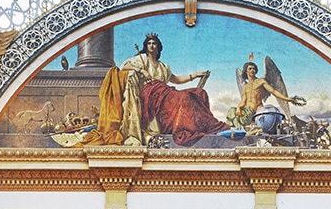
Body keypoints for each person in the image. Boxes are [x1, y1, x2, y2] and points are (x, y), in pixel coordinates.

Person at [89, 34, 227, 146]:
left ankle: (199, 126)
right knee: (184, 98)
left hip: (165, 93)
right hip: (150, 96)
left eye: (154, 43)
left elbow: (176, 80)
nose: (151, 45)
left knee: (196, 94)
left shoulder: (163, 66)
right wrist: (141, 70)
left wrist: (195, 75)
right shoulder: (141, 59)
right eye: (149, 43)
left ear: (158, 47)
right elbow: (124, 67)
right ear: (146, 46)